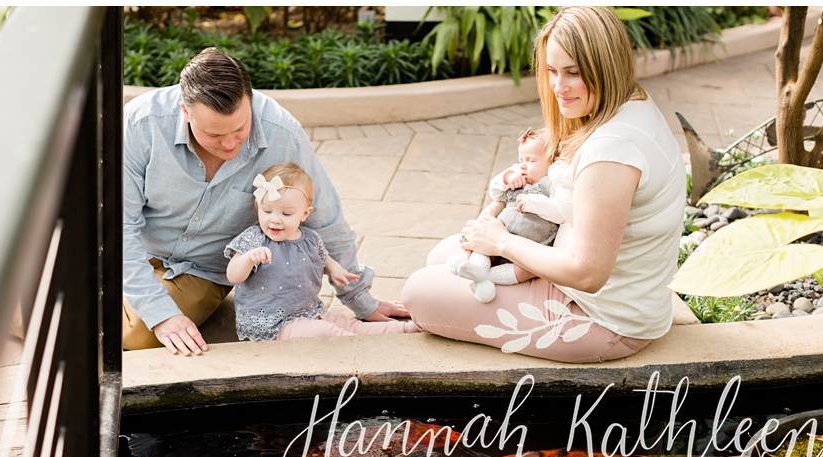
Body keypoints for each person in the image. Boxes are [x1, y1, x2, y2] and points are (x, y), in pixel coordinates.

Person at [402, 6, 685, 362]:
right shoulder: (630, 104)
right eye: (551, 71)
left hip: (603, 319)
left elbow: (588, 273)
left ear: (607, 68)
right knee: (441, 257)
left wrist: (502, 242)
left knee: (417, 293)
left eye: (573, 73)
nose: (558, 87)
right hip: (589, 279)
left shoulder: (612, 152)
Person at [123, 48, 407, 356]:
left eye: (239, 130)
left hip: (201, 270)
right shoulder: (141, 124)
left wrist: (361, 301)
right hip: (135, 247)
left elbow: (324, 217)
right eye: (214, 135)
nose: (230, 144)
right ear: (185, 112)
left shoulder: (282, 133)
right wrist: (159, 308)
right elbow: (118, 226)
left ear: (251, 102)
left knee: (139, 336)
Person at [223, 163, 420, 341]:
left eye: (286, 213)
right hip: (272, 324)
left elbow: (323, 258)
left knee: (349, 325)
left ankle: (406, 329)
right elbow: (233, 275)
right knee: (330, 333)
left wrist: (335, 269)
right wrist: (248, 258)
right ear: (258, 206)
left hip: (307, 311)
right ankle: (363, 348)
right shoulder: (254, 238)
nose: (275, 219)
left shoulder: (309, 238)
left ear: (305, 214)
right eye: (267, 211)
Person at [449, 127, 569, 303]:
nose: (522, 164)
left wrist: (533, 203)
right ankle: (474, 266)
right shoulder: (517, 174)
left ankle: (486, 278)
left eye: (530, 160)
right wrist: (508, 177)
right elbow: (495, 192)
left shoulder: (553, 185)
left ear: (552, 162)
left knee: (529, 270)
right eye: (521, 159)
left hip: (529, 247)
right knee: (483, 243)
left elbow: (560, 213)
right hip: (498, 233)